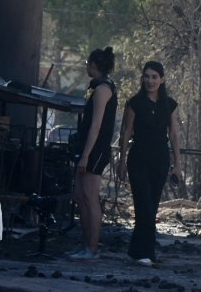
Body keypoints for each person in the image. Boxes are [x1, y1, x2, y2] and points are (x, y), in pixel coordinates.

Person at [116, 60, 183, 266]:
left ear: (162, 80)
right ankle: (143, 252)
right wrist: (122, 160)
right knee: (143, 204)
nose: (150, 81)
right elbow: (126, 132)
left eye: (154, 77)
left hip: (160, 159)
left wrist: (178, 164)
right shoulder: (134, 103)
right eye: (146, 76)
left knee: (152, 206)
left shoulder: (169, 104)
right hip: (138, 158)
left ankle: (141, 252)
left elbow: (173, 133)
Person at [68, 47, 117, 261]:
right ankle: (84, 243)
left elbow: (96, 126)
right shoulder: (97, 88)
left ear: (93, 65)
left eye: (88, 64)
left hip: (95, 150)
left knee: (90, 197)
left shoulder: (103, 89)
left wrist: (86, 155)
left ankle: (93, 248)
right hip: (86, 148)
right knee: (80, 196)